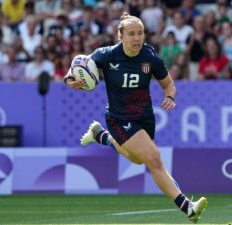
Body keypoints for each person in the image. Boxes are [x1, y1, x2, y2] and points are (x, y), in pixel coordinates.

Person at [64, 12, 207, 223]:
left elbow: (168, 84)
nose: (137, 38)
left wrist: (170, 96)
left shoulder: (149, 57)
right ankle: (188, 208)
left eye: (140, 33)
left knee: (138, 159)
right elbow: (75, 72)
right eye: (131, 34)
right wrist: (70, 81)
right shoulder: (106, 55)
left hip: (144, 118)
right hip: (118, 118)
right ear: (120, 36)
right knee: (154, 158)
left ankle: (100, 135)